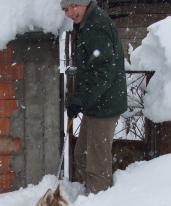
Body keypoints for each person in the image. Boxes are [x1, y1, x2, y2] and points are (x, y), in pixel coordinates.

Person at [61, 0, 127, 193]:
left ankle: (98, 204)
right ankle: (93, 193)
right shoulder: (86, 25)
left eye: (74, 6)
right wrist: (80, 99)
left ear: (84, 3)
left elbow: (102, 72)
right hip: (96, 103)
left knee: (96, 164)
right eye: (66, 9)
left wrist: (81, 99)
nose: (70, 12)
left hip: (105, 105)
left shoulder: (95, 27)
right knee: (82, 156)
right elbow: (91, 69)